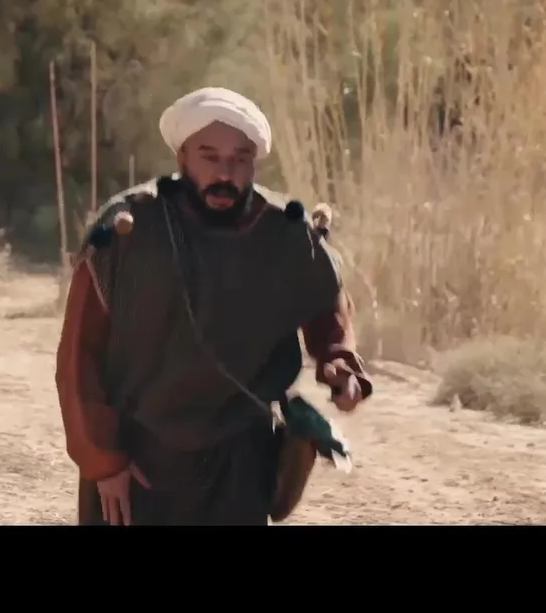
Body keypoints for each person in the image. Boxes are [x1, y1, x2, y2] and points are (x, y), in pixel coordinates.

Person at [55, 87, 374, 526]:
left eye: (240, 159)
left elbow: (326, 302)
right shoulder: (129, 230)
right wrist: (103, 460)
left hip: (239, 457)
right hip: (139, 457)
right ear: (182, 157)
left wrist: (339, 362)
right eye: (210, 157)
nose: (225, 172)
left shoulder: (285, 231)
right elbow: (79, 357)